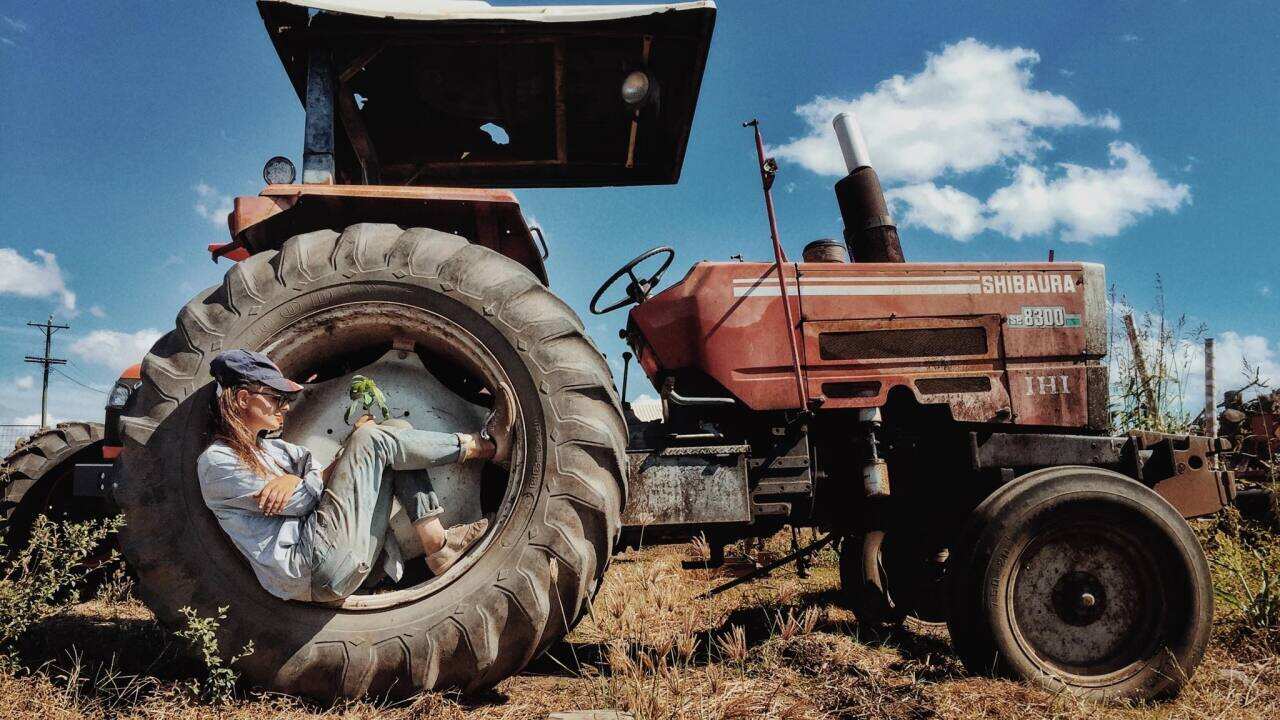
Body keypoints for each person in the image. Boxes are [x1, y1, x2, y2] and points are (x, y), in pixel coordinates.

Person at [196, 349, 514, 602]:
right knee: (371, 440)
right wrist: (312, 476)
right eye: (277, 398)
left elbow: (310, 465)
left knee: (394, 431)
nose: (286, 408)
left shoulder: (274, 450)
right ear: (242, 398)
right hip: (311, 568)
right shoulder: (217, 462)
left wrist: (297, 478)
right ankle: (485, 446)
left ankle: (438, 543)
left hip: (336, 552)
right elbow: (300, 502)